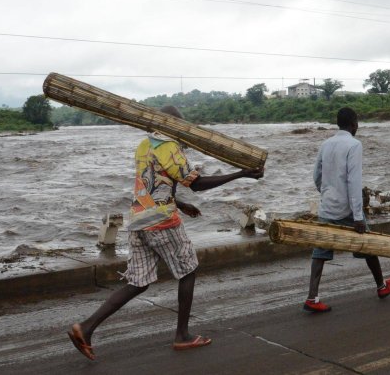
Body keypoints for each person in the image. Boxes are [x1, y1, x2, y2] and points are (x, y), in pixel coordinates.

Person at [68, 105, 264, 359]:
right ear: (174, 126)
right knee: (188, 269)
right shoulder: (169, 147)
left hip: (138, 220)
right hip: (161, 221)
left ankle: (85, 327)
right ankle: (182, 335)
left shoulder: (144, 145)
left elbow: (154, 182)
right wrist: (241, 174)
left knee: (138, 282)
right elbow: (197, 184)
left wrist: (181, 204)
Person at [304, 107, 390, 313]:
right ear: (354, 124)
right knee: (368, 245)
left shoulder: (326, 144)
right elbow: (353, 181)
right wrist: (358, 216)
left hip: (327, 206)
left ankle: (312, 297)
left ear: (338, 123)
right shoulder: (354, 145)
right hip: (347, 208)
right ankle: (382, 286)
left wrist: (327, 192)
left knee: (320, 251)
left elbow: (316, 175)